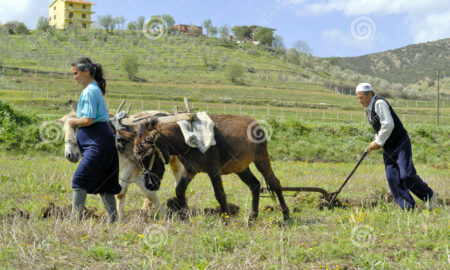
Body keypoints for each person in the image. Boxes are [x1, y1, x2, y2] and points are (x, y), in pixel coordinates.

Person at [356, 83, 438, 210]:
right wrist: (375, 142)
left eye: (361, 97)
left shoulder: (379, 104)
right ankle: (408, 208)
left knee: (407, 175)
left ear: (370, 95)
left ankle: (430, 196)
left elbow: (388, 124)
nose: (359, 101)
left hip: (400, 143)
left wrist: (377, 142)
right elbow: (380, 128)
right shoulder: (369, 109)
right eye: (358, 98)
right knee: (392, 177)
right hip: (388, 147)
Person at [68, 57, 121, 223]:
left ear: (86, 72)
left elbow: (88, 120)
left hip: (96, 142)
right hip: (103, 140)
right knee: (106, 184)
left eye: (76, 73)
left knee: (79, 179)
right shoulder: (94, 89)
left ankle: (74, 222)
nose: (74, 77)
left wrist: (72, 121)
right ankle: (113, 221)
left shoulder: (89, 91)